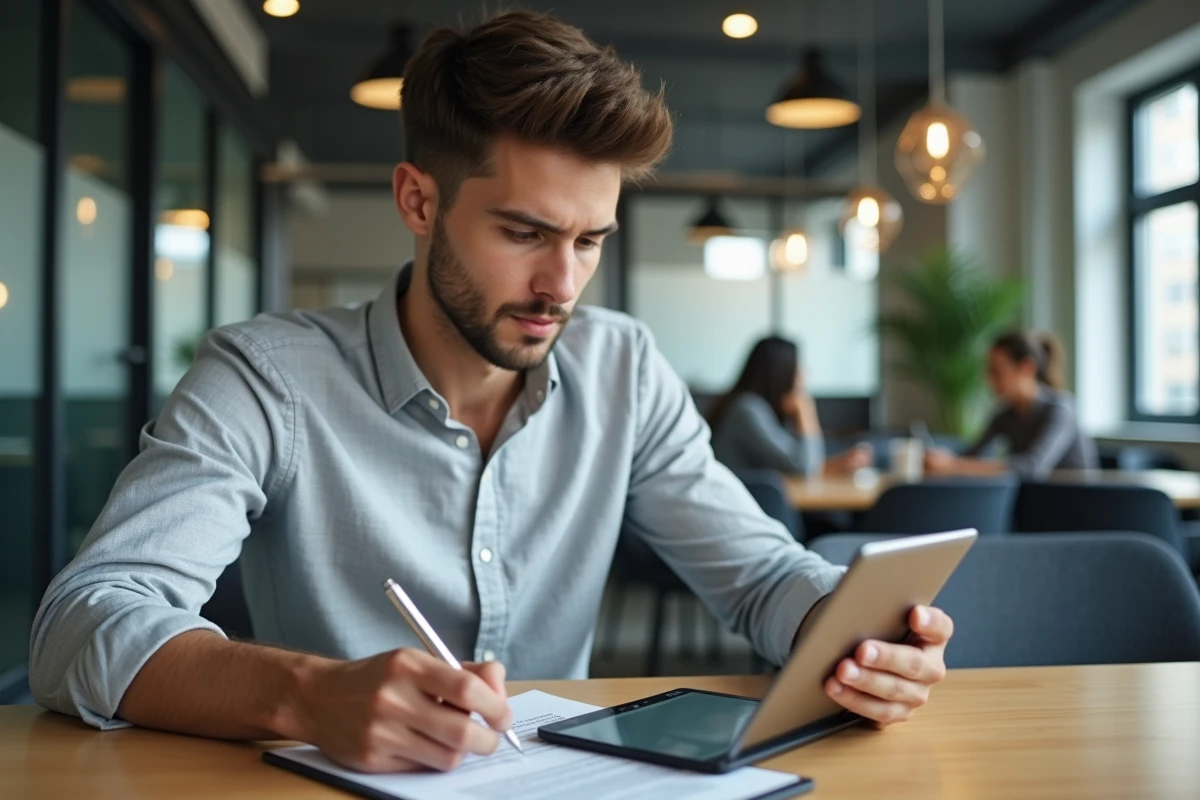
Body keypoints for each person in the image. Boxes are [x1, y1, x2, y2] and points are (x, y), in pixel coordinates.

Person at [30, 11, 954, 775]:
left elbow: (760, 577)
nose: (564, 282)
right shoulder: (268, 379)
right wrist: (308, 692)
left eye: (591, 240)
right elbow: (84, 622)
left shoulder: (623, 367)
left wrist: (853, 635)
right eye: (525, 232)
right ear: (419, 202)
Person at [925, 331, 1097, 478]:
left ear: (1027, 367)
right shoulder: (1006, 415)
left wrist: (953, 465)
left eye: (997, 372)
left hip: (1074, 504)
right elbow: (973, 455)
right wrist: (942, 458)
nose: (990, 381)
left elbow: (1032, 467)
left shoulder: (1061, 408)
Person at [708, 336, 874, 477]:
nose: (803, 374)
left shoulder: (755, 408)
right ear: (781, 373)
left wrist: (836, 464)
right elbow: (803, 469)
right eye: (797, 367)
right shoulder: (747, 410)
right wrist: (805, 410)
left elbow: (791, 462)